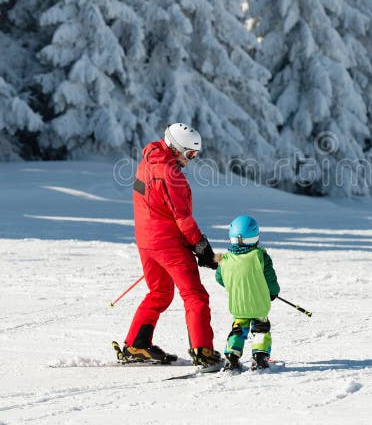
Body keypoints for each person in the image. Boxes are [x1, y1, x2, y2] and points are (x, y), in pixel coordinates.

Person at [116, 123, 223, 370]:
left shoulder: (148, 160)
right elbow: (182, 218)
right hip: (168, 244)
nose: (192, 159)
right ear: (175, 148)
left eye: (195, 154)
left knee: (160, 293)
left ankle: (136, 344)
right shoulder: (171, 175)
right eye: (190, 154)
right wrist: (201, 247)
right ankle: (203, 351)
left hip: (147, 242)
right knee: (195, 296)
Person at [215, 215, 280, 371]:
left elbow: (220, 278)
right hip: (259, 304)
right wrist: (273, 292)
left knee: (238, 328)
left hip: (238, 304)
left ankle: (232, 356)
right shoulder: (260, 256)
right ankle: (260, 357)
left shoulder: (224, 259)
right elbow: (270, 279)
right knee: (261, 329)